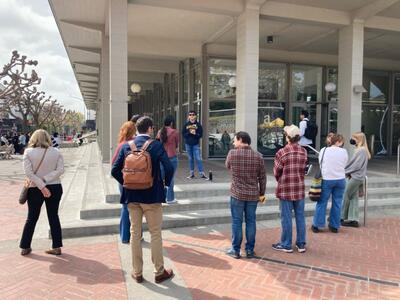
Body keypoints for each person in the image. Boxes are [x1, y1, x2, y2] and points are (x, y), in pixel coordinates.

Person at [111, 116, 174, 284]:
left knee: (134, 233)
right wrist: (165, 185)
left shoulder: (126, 146)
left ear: (136, 128)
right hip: (152, 196)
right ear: (150, 129)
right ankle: (159, 272)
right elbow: (168, 167)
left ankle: (137, 272)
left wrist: (126, 182)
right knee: (155, 233)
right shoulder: (156, 145)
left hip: (132, 196)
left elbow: (114, 170)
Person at [20, 129, 64, 256]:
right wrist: (45, 181)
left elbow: (28, 173)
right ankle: (56, 246)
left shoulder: (28, 152)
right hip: (55, 186)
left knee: (32, 217)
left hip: (34, 188)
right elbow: (60, 169)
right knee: (53, 216)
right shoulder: (56, 152)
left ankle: (25, 246)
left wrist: (41, 184)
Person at [225, 131, 266, 259]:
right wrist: (261, 193)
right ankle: (249, 250)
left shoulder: (232, 154)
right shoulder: (258, 156)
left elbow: (227, 166)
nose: (233, 142)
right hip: (253, 195)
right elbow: (262, 178)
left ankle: (236, 250)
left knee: (237, 222)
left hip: (237, 194)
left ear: (241, 139)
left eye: (235, 140)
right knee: (251, 221)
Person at [272, 125, 308, 253]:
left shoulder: (282, 152)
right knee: (300, 216)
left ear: (287, 137)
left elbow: (276, 172)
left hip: (286, 188)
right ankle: (301, 243)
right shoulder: (303, 151)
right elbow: (303, 169)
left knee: (286, 217)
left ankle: (286, 244)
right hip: (299, 188)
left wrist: (281, 180)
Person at [312, 134, 348, 233]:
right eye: (341, 141)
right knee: (337, 202)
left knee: (322, 202)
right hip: (340, 179)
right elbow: (345, 163)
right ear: (338, 142)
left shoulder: (324, 150)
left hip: (327, 178)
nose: (342, 143)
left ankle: (317, 225)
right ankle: (334, 225)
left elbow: (320, 163)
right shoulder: (344, 152)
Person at [112, 121, 136, 244]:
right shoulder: (133, 144)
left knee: (126, 207)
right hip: (133, 180)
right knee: (133, 208)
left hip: (124, 179)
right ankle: (133, 235)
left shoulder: (121, 144)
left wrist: (123, 179)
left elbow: (113, 164)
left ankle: (125, 236)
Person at [341, 132, 370, 228]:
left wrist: (345, 171)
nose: (352, 140)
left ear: (359, 139)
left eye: (354, 138)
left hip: (356, 177)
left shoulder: (361, 150)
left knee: (346, 194)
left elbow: (356, 165)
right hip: (357, 176)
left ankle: (341, 217)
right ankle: (353, 219)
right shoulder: (361, 150)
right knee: (353, 197)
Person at [157, 115, 179, 204]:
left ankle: (160, 197)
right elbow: (177, 145)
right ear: (171, 123)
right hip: (172, 157)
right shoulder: (175, 132)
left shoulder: (160, 132)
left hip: (162, 158)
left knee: (161, 178)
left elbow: (157, 144)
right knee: (171, 178)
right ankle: (170, 198)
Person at [181, 110, 207, 179]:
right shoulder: (186, 125)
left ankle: (202, 173)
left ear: (195, 116)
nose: (191, 116)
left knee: (198, 158)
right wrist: (189, 133)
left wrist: (195, 134)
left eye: (193, 115)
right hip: (188, 144)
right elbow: (183, 134)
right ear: (188, 116)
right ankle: (191, 174)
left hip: (195, 144)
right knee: (190, 159)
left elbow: (201, 135)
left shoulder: (198, 125)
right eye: (190, 115)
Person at [299, 110, 313, 174]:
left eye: (301, 115)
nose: (300, 116)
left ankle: (303, 168)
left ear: (303, 115)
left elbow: (301, 133)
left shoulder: (302, 122)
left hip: (303, 142)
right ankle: (306, 167)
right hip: (309, 142)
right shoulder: (309, 122)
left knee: (302, 155)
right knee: (306, 155)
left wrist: (296, 136)